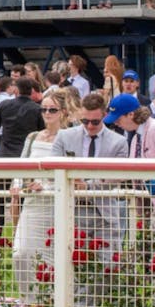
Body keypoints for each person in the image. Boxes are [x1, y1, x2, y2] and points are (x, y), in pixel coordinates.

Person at [51, 93, 127, 269]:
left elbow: (117, 176)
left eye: (95, 122)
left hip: (104, 213)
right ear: (79, 116)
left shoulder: (119, 142)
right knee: (72, 268)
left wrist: (88, 185)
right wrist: (71, 180)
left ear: (104, 115)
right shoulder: (64, 136)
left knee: (107, 268)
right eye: (85, 121)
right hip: (73, 211)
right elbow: (52, 169)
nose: (90, 126)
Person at [104, 94, 155, 245]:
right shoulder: (136, 138)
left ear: (131, 114)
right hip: (147, 208)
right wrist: (102, 179)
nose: (116, 123)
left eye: (118, 119)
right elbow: (129, 171)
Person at [11, 92, 67, 305]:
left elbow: (71, 170)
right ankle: (28, 302)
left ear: (62, 112)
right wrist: (18, 186)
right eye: (43, 109)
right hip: (32, 203)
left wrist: (47, 185)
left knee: (51, 257)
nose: (47, 114)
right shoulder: (33, 137)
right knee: (20, 253)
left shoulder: (68, 137)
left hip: (56, 203)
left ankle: (51, 303)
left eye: (52, 109)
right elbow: (22, 165)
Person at [0, 77, 44, 158]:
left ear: (17, 90)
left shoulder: (4, 105)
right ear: (31, 90)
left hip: (5, 153)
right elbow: (42, 131)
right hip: (27, 153)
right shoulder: (37, 109)